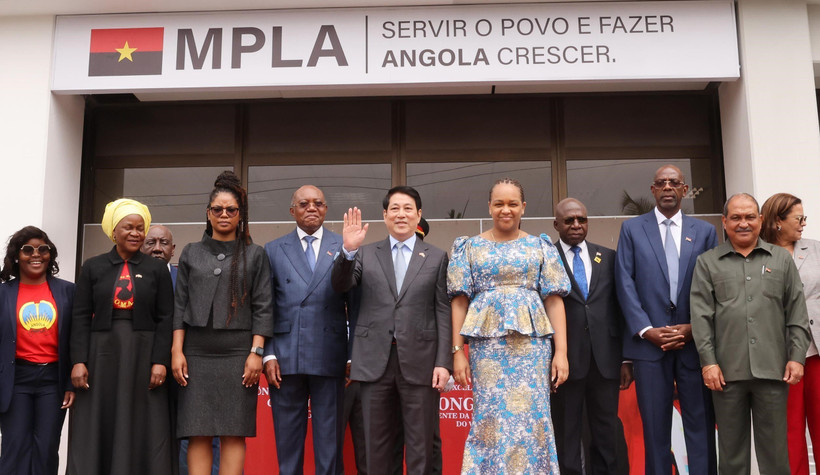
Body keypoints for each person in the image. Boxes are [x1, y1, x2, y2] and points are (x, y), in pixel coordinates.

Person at [449, 178, 570, 473]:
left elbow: (554, 300)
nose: (506, 210)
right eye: (499, 204)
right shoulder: (469, 247)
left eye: (513, 204)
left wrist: (561, 352)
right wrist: (457, 351)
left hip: (533, 349)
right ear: (489, 207)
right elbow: (459, 301)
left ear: (523, 207)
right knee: (489, 418)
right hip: (487, 350)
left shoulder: (540, 246)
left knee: (534, 419)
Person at [331, 186, 451, 474]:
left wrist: (443, 362)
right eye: (394, 209)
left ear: (418, 215)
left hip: (421, 362)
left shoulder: (436, 257)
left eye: (408, 208)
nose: (401, 214)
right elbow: (340, 285)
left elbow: (442, 311)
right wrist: (348, 250)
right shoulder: (364, 253)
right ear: (385, 215)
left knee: (421, 448)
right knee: (378, 449)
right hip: (374, 363)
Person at [691, 193, 811, 474]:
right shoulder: (708, 262)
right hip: (726, 374)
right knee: (731, 455)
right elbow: (701, 317)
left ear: (760, 219)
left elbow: (796, 312)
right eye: (736, 217)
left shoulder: (781, 260)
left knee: (775, 454)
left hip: (773, 371)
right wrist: (708, 363)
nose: (743, 223)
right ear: (724, 222)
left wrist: (797, 358)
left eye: (749, 217)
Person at [614, 164, 718, 475]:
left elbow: (714, 286)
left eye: (674, 182)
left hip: (694, 346)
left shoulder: (705, 232)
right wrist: (646, 330)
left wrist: (694, 328)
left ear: (685, 190)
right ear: (653, 190)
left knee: (700, 426)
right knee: (655, 430)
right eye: (661, 183)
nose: (668, 187)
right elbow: (624, 283)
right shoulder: (632, 229)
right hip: (649, 347)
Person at [171, 171, 273, 475]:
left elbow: (264, 306)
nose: (224, 214)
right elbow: (180, 306)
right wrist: (177, 351)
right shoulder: (191, 252)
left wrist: (256, 352)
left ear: (240, 214)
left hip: (238, 354)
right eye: (218, 209)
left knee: (233, 431)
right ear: (208, 213)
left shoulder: (255, 254)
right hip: (196, 353)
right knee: (198, 430)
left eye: (231, 210)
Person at [67, 199, 175, 475]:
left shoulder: (156, 270)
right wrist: (78, 361)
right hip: (101, 354)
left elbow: (166, 318)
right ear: (114, 231)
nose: (136, 233)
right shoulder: (93, 266)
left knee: (143, 420)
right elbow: (80, 317)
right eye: (129, 227)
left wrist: (160, 361)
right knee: (99, 418)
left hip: (143, 354)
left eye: (140, 228)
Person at [263, 185, 348, 474]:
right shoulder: (273, 249)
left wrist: (352, 355)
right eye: (304, 204)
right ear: (292, 211)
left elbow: (356, 304)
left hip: (331, 355)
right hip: (285, 357)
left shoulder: (344, 245)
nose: (311, 208)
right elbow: (265, 306)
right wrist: (268, 353)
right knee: (288, 446)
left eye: (318, 203)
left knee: (330, 446)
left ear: (326, 209)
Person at [551, 198, 632, 475]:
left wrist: (626, 359)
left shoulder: (607, 256)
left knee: (606, 431)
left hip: (605, 360)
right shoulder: (546, 258)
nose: (576, 225)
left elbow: (620, 308)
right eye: (569, 220)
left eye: (582, 220)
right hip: (564, 363)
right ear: (556, 225)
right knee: (566, 433)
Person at [142, 225, 221, 475]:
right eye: (151, 242)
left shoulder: (188, 279)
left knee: (198, 432)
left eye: (163, 243)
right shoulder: (132, 280)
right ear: (141, 247)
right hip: (145, 370)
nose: (157, 248)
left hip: (189, 368)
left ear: (173, 249)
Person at [0, 226, 75, 475]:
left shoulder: (68, 291)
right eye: (28, 249)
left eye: (43, 249)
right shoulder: (3, 293)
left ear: (49, 254)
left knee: (47, 448)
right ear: (16, 256)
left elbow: (76, 338)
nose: (36, 254)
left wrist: (70, 383)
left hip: (52, 380)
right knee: (15, 447)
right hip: (15, 380)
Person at [761, 193, 819, 474]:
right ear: (778, 221)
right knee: (789, 429)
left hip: (816, 350)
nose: (804, 223)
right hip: (780, 355)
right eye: (799, 218)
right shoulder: (758, 254)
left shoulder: (816, 249)